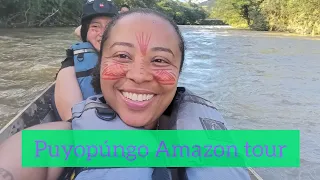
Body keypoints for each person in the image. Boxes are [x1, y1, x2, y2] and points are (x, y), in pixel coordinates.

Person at [0, 9, 250, 180]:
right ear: (100, 65)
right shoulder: (59, 141)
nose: (139, 75)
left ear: (179, 72)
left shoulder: (209, 137)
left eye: (160, 59)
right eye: (122, 56)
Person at [54, 0, 118, 121]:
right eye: (95, 26)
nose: (102, 33)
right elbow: (73, 120)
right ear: (86, 32)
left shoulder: (131, 56)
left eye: (109, 26)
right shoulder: (70, 65)